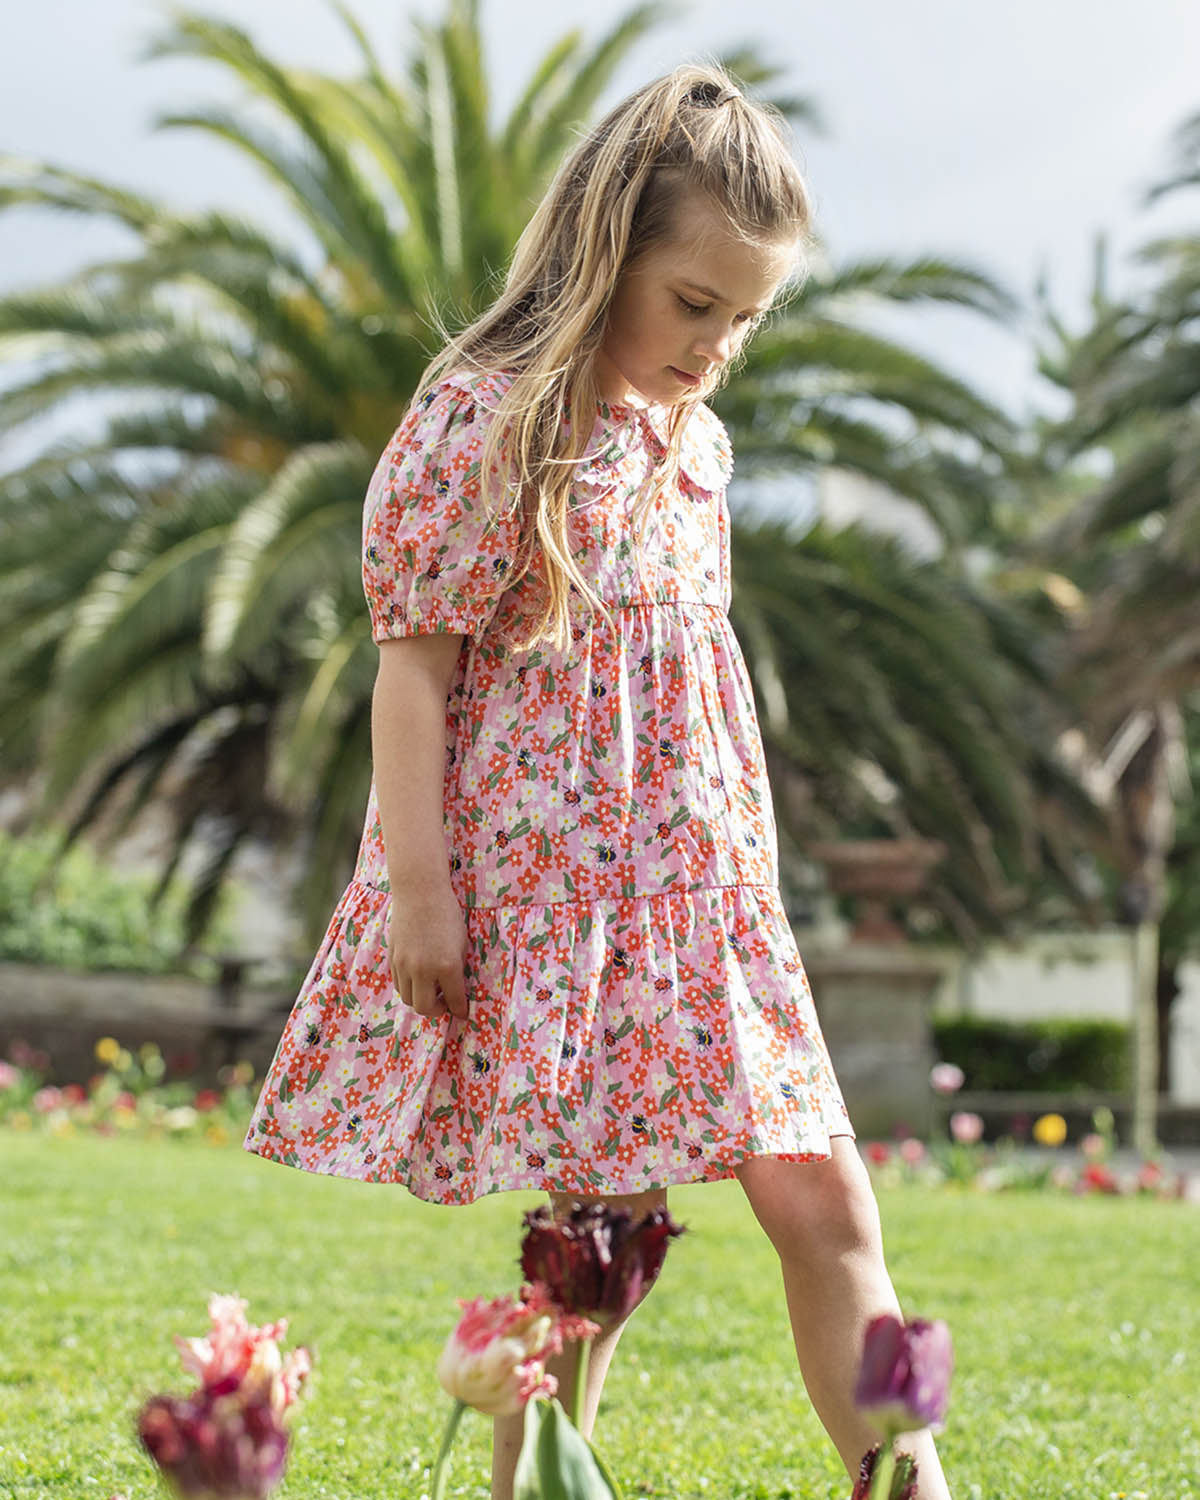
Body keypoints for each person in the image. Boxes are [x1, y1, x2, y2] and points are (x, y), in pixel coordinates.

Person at [242, 61, 953, 1500]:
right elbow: (415, 668)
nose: (715, 350)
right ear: (605, 249)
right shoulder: (484, 417)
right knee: (598, 1249)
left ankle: (914, 1488)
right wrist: (421, 897)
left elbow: (686, 689)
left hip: (707, 896)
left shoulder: (698, 448)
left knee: (827, 1200)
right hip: (565, 898)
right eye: (695, 306)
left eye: (745, 321)